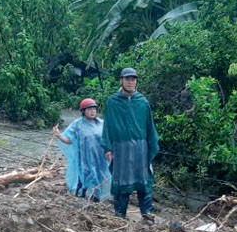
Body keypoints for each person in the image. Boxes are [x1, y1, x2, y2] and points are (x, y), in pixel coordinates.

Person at [101, 67, 159, 220]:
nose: (130, 82)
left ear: (136, 81)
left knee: (143, 179)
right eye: (127, 79)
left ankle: (146, 213)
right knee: (121, 180)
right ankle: (120, 214)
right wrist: (108, 147)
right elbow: (108, 126)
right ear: (121, 80)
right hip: (121, 148)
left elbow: (149, 126)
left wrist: (151, 145)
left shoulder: (142, 102)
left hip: (141, 148)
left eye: (133, 79)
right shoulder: (112, 102)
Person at [53, 98, 111, 202]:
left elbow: (109, 138)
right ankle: (80, 196)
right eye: (89, 109)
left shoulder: (102, 123)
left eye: (94, 109)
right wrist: (59, 135)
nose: (92, 111)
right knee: (84, 177)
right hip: (85, 159)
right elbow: (69, 140)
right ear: (83, 111)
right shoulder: (77, 124)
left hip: (100, 157)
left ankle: (96, 198)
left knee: (100, 176)